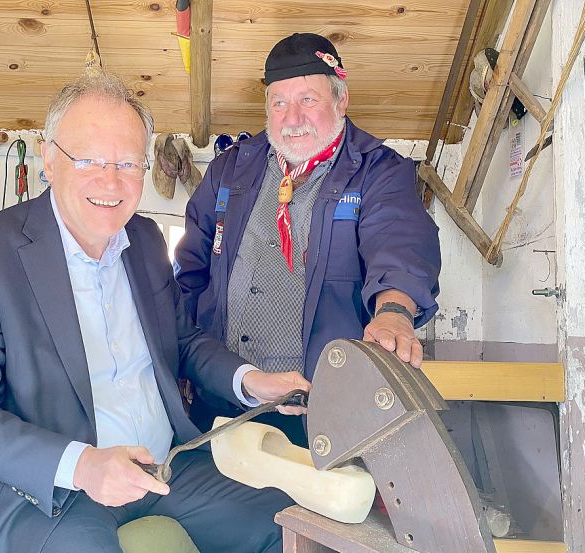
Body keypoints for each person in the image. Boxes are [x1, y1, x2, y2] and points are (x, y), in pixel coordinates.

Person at [0, 70, 309, 553]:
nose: (111, 182)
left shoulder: (145, 240)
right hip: (52, 489)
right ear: (49, 158)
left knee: (284, 527)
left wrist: (253, 381)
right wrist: (84, 464)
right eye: (89, 160)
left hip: (164, 466)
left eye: (129, 163)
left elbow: (185, 341)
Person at [174, 33, 442, 446]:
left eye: (308, 100)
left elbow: (399, 242)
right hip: (224, 399)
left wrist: (393, 311)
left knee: (318, 507)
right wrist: (181, 359)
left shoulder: (378, 171)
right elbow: (190, 270)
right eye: (279, 102)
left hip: (321, 409)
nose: (291, 117)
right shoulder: (230, 169)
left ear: (341, 100)